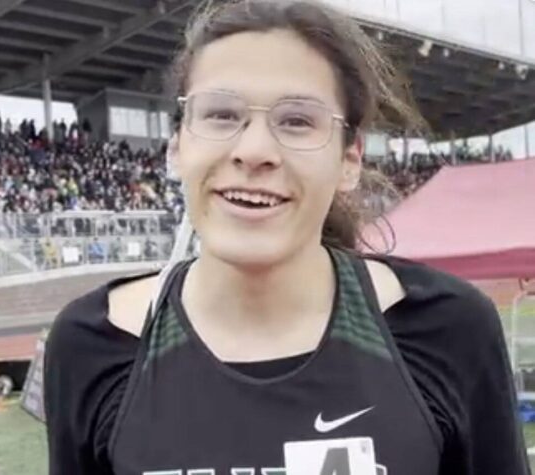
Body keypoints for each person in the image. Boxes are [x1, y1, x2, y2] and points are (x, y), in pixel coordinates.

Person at [44, 1, 530, 474]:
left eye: (297, 121)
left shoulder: (448, 328)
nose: (254, 151)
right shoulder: (92, 343)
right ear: (177, 146)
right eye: (221, 114)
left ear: (350, 160)